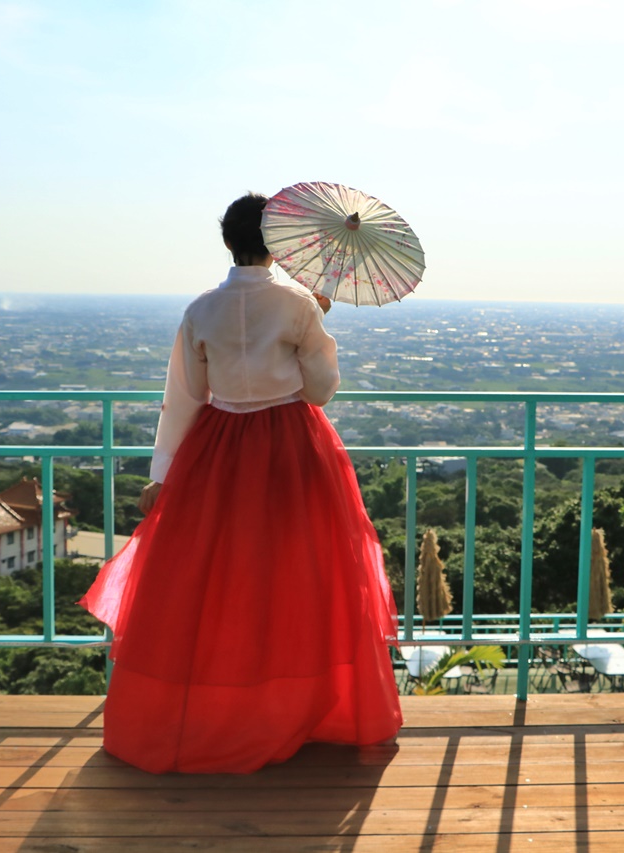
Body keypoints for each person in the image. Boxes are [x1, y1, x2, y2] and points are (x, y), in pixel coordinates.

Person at [78, 192, 403, 774]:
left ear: (227, 241)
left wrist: (161, 476)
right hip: (292, 450)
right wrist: (316, 318)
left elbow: (181, 400)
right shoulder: (299, 304)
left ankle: (216, 713)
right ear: (277, 243)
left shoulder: (201, 310)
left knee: (217, 584)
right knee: (299, 578)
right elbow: (319, 390)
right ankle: (298, 711)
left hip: (217, 449)